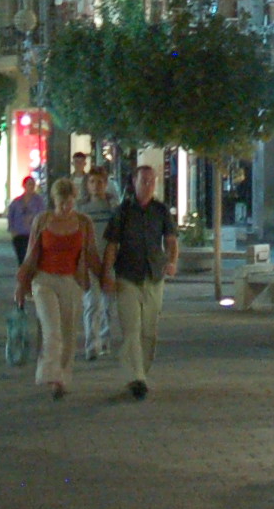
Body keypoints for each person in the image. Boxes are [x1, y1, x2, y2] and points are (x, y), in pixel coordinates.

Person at [16, 176, 103, 398]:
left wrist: (104, 277)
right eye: (62, 202)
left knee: (68, 332)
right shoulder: (43, 220)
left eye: (70, 202)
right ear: (54, 200)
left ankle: (62, 378)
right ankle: (50, 374)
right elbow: (31, 254)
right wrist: (21, 284)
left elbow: (91, 253)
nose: (66, 207)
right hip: (43, 280)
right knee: (51, 329)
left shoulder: (83, 223)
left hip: (71, 281)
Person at [102, 162, 179, 400]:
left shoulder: (161, 210)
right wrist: (107, 273)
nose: (148, 185)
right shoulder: (123, 211)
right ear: (134, 182)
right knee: (131, 328)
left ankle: (141, 371)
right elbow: (112, 245)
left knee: (149, 330)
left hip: (153, 275)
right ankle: (135, 377)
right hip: (128, 275)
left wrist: (172, 261)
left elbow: (171, 240)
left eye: (152, 181)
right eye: (144, 180)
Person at [79, 166, 118, 360]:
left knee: (108, 304)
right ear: (87, 185)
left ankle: (104, 340)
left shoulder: (112, 207)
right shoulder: (82, 209)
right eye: (92, 182)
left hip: (110, 260)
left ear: (106, 184)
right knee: (92, 302)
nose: (96, 186)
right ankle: (91, 345)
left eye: (100, 182)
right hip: (89, 260)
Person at [5, 173, 46, 267]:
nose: (31, 186)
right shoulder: (17, 201)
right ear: (24, 186)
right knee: (21, 259)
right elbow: (10, 216)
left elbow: (42, 215)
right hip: (19, 234)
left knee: (31, 259)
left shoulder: (38, 201)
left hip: (33, 234)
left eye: (33, 184)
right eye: (29, 184)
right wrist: (12, 230)